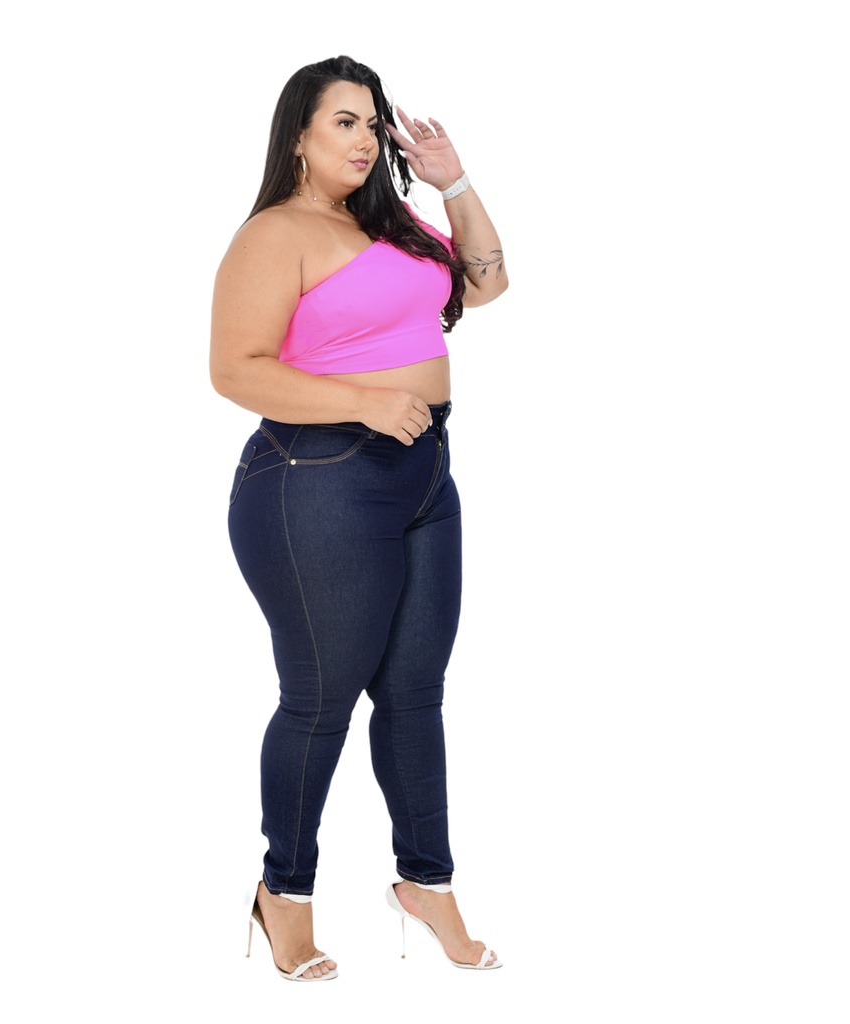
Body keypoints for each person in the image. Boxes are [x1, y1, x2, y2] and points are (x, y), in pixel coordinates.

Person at [209, 54, 509, 981]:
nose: (366, 139)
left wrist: (453, 179)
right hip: (319, 478)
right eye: (344, 121)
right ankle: (284, 893)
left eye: (373, 124)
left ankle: (426, 884)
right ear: (298, 135)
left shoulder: (390, 225)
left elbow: (486, 284)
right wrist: (363, 404)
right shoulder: (277, 232)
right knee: (320, 700)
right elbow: (234, 369)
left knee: (416, 693)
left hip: (424, 474)